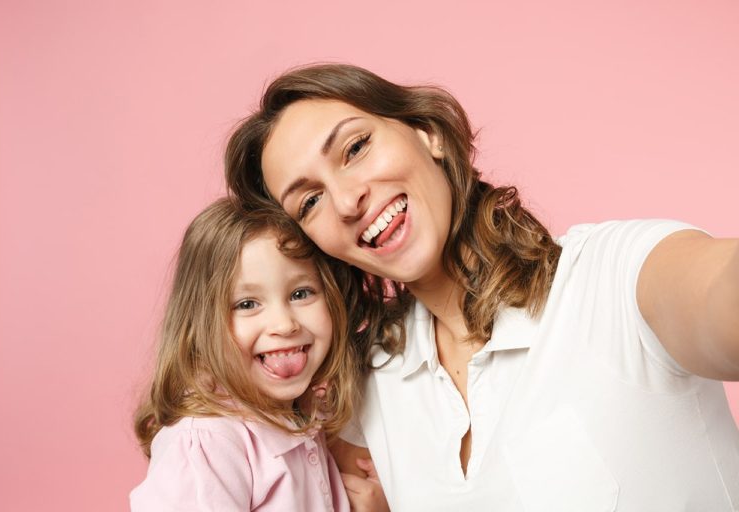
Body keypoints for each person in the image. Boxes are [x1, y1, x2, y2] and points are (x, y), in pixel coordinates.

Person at [223, 63, 739, 511]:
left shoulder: (612, 277)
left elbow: (717, 288)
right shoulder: (370, 384)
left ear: (430, 133)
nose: (346, 200)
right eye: (309, 202)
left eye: (356, 148)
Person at [130, 198, 385, 511]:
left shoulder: (304, 412)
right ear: (199, 325)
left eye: (300, 293)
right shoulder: (208, 443)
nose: (284, 324)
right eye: (247, 304)